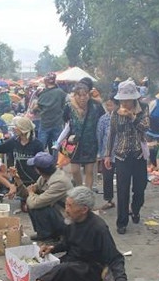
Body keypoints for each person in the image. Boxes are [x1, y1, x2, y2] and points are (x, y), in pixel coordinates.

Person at [0, 186, 154, 281]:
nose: (66, 209)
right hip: (73, 261)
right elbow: (68, 243)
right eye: (66, 204)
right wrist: (53, 248)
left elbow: (115, 258)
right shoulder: (71, 221)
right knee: (58, 269)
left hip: (92, 267)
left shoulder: (99, 227)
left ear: (84, 209)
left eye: (70, 206)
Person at [105, 80, 149, 235]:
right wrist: (107, 155)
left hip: (138, 155)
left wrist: (132, 116)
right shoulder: (115, 113)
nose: (125, 103)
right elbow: (112, 134)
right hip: (122, 155)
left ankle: (135, 209)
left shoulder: (143, 108)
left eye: (127, 100)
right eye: (122, 100)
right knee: (122, 190)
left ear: (134, 98)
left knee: (140, 188)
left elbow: (145, 127)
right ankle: (121, 222)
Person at [0, 117, 44, 209]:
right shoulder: (14, 141)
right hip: (18, 180)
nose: (14, 129)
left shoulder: (37, 144)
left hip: (33, 182)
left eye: (17, 127)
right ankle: (14, 189)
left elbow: (42, 166)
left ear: (23, 130)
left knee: (28, 208)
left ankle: (26, 195)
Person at [22, 152, 72, 241]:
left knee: (36, 205)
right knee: (32, 200)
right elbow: (35, 188)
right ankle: (43, 233)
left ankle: (50, 235)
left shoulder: (59, 181)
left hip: (67, 216)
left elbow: (34, 203)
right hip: (58, 208)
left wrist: (31, 193)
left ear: (38, 169)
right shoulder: (45, 176)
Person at [63, 82, 105, 188]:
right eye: (79, 95)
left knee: (89, 171)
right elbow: (65, 120)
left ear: (88, 95)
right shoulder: (69, 107)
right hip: (74, 143)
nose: (82, 98)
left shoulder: (96, 106)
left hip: (91, 142)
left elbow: (103, 120)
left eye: (85, 94)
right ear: (75, 95)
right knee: (75, 170)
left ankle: (87, 193)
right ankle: (79, 189)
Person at [36, 72, 67, 152]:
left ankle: (41, 162)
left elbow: (38, 106)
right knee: (56, 145)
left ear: (46, 81)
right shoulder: (61, 92)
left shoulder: (42, 93)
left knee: (41, 146)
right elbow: (64, 105)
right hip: (57, 123)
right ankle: (55, 163)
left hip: (45, 124)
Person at [97, 98, 117, 209]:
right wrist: (100, 153)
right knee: (107, 178)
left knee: (123, 179)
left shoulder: (122, 118)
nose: (110, 108)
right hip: (107, 154)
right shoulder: (103, 119)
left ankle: (125, 201)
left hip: (120, 153)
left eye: (112, 105)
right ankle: (109, 200)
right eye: (108, 105)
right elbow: (99, 135)